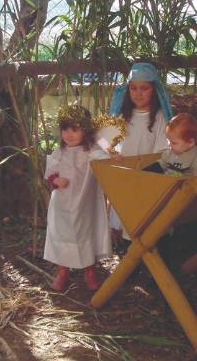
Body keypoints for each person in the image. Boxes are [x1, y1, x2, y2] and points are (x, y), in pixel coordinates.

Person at [44, 105, 111, 291]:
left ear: (85, 130)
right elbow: (49, 173)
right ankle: (62, 270)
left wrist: (114, 154)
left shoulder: (91, 152)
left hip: (85, 203)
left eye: (75, 129)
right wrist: (56, 179)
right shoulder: (59, 153)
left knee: (85, 233)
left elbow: (107, 155)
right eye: (65, 129)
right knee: (63, 234)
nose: (69, 134)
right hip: (62, 203)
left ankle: (89, 271)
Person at [108, 62, 173, 240]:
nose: (138, 93)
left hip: (149, 177)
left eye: (144, 88)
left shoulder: (160, 117)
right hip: (124, 174)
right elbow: (104, 140)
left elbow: (162, 149)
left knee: (147, 223)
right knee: (126, 221)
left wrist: (144, 169)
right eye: (134, 88)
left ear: (154, 90)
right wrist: (111, 152)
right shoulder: (121, 115)